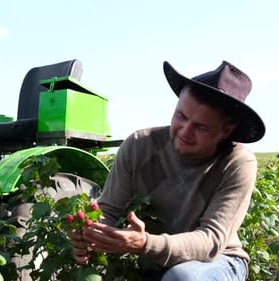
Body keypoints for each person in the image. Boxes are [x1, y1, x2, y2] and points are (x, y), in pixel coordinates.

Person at [69, 60, 266, 281]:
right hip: (150, 256)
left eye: (200, 127)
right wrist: (90, 236)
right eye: (181, 116)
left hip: (217, 260)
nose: (185, 131)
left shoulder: (237, 163)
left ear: (226, 131)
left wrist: (145, 243)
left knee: (183, 277)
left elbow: (210, 241)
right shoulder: (138, 145)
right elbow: (109, 209)